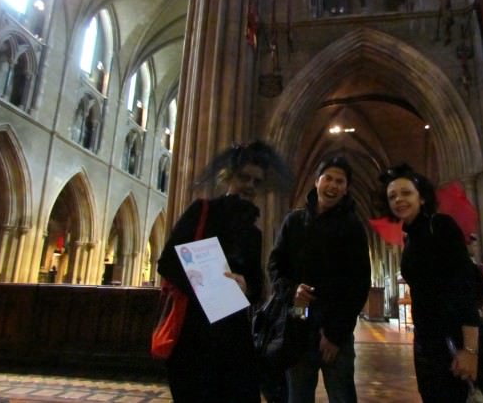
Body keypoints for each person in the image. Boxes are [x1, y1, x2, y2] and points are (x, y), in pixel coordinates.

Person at [157, 141, 292, 403]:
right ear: (228, 176)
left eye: (256, 181)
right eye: (244, 177)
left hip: (232, 335)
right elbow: (167, 263)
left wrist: (246, 285)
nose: (250, 186)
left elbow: (257, 286)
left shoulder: (254, 233)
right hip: (194, 332)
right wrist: (201, 282)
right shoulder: (202, 211)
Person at [268, 156, 371, 403]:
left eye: (340, 181)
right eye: (328, 178)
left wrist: (335, 334)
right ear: (317, 181)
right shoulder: (294, 222)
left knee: (341, 395)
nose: (333, 185)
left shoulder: (352, 227)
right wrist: (291, 291)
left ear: (346, 188)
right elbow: (275, 266)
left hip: (335, 333)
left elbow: (358, 284)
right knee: (298, 395)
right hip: (297, 328)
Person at [378, 163, 480, 403]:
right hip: (425, 339)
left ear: (421, 197)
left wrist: (470, 350)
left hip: (450, 338)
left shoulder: (441, 226)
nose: (399, 200)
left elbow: (464, 287)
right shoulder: (411, 237)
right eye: (392, 196)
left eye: (406, 193)